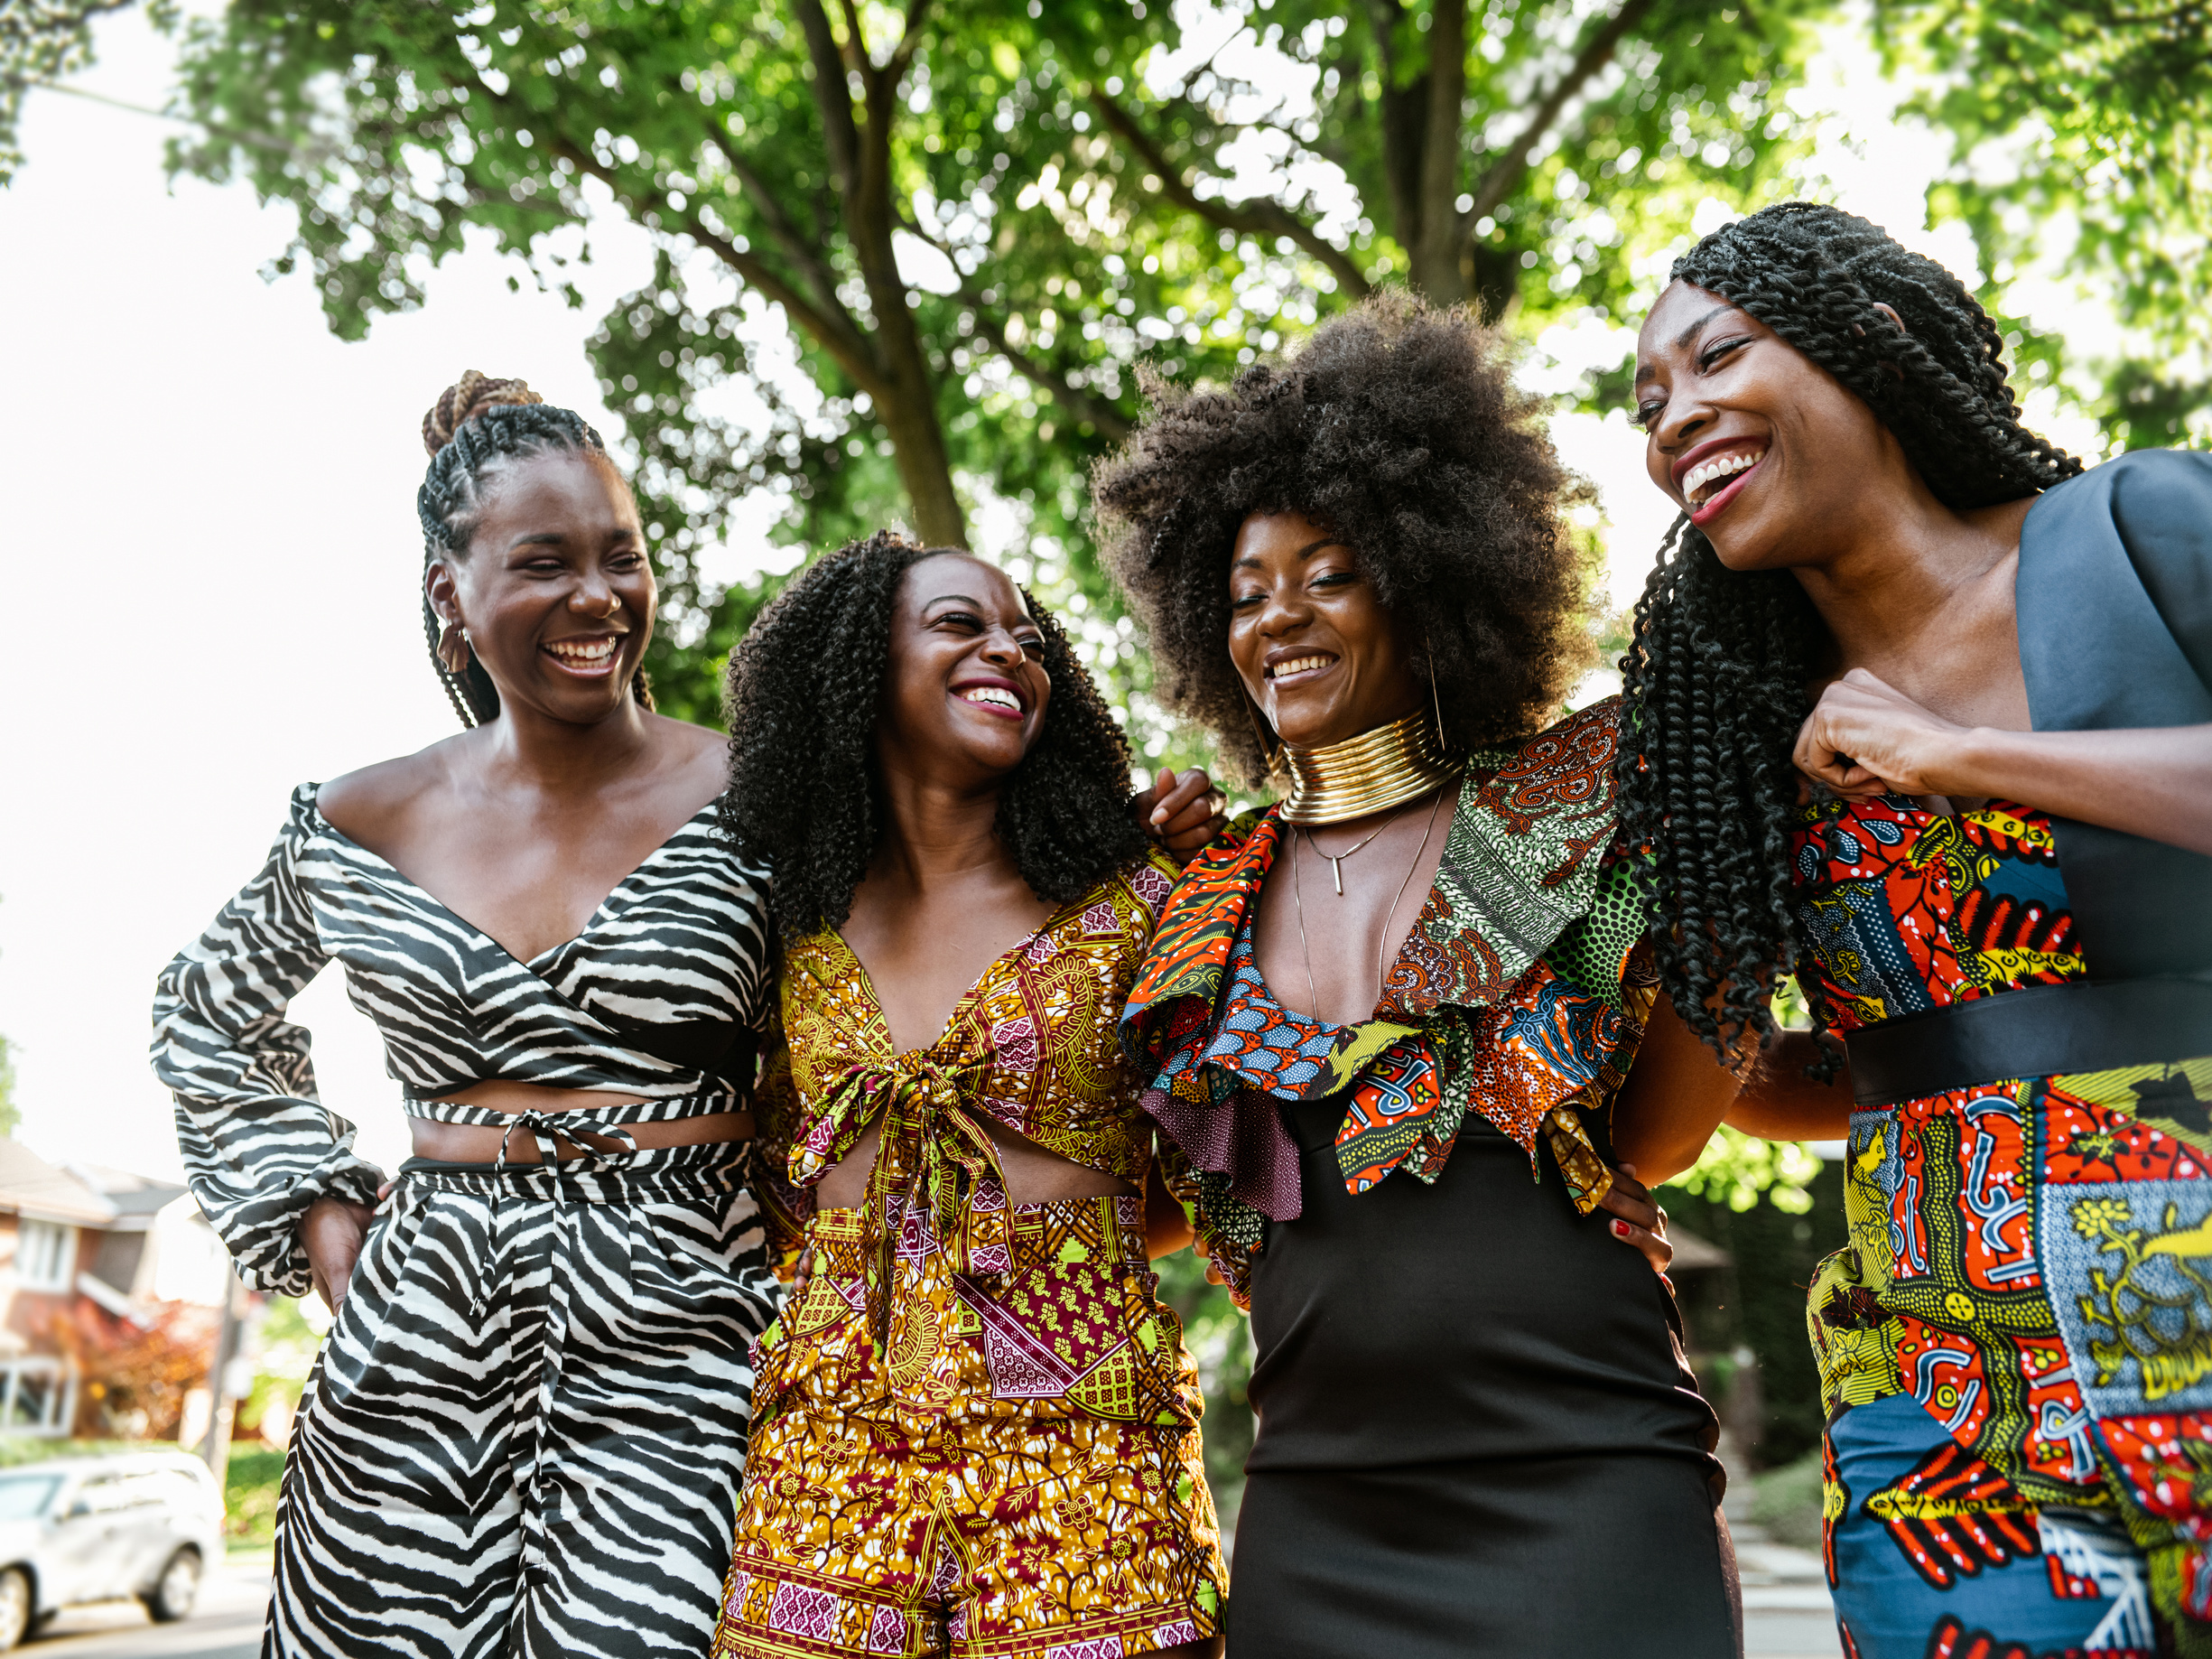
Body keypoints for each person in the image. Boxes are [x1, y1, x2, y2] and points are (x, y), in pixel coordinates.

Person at [1095, 291, 1754, 1657]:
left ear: (1424, 576)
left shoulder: (1579, 804)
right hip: (1315, 1501)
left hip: (1585, 1468)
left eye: (1326, 573)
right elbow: (1177, 1201)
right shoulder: (1191, 906)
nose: (1279, 617)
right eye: (1242, 594)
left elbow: (1665, 1126)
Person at [1622, 202, 2212, 1657]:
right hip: (1935, 1391)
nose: (1673, 416)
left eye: (1714, 358)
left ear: (1870, 343)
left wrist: (1954, 756)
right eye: (1647, 405)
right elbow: (1819, 1086)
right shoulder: (1735, 730)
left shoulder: (2142, 528)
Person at [151, 374, 781, 1657]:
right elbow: (207, 1014)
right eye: (544, 562)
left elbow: (917, 974)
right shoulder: (356, 821)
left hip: (693, 1322)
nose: (598, 598)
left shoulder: (761, 797)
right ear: (452, 593)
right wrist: (314, 1205)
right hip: (418, 1337)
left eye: (622, 559)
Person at [708, 533, 1230, 1659]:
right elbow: (766, 1163)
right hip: (828, 1453)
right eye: (960, 623)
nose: (1009, 651)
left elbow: (1217, 1172)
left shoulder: (1140, 897)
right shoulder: (787, 927)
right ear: (860, 670)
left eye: (1028, 640)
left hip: (1088, 1464)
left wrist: (1047, 1261)